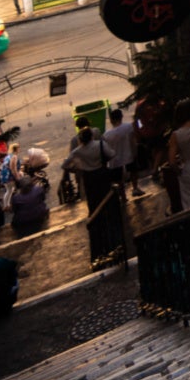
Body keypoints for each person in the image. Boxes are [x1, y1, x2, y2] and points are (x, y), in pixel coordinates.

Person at [63, 126, 126, 269]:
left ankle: (96, 221)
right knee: (107, 199)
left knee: (94, 203)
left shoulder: (78, 151)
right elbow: (111, 154)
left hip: (89, 179)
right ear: (92, 135)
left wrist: (78, 167)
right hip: (102, 174)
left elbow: (65, 165)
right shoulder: (100, 145)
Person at [100, 106, 141, 197]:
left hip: (115, 159)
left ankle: (123, 195)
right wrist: (135, 152)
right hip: (129, 154)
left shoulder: (106, 134)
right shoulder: (128, 127)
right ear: (121, 117)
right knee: (133, 172)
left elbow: (106, 149)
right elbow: (132, 140)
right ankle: (135, 188)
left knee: (118, 178)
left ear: (111, 120)